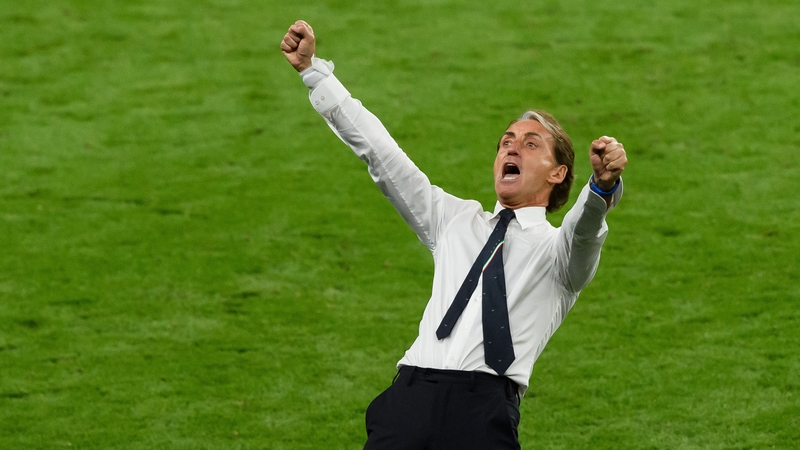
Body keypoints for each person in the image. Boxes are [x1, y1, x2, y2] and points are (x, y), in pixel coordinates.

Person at [281, 20, 628, 450]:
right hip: (409, 400)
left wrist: (602, 189)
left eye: (531, 143)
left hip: (482, 414)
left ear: (558, 174)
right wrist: (315, 73)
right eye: (506, 141)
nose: (512, 147)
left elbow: (584, 232)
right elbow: (380, 153)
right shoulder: (454, 219)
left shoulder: (558, 256)